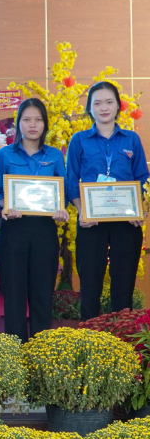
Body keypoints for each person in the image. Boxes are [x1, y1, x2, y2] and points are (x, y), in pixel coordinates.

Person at [67, 81, 150, 321]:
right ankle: (90, 335)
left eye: (109, 102)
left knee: (123, 285)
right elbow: (71, 180)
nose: (103, 108)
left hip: (126, 223)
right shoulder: (79, 140)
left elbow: (142, 178)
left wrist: (140, 209)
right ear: (89, 108)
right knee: (90, 286)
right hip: (91, 223)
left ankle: (121, 336)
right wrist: (82, 212)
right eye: (97, 103)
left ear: (118, 106)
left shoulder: (131, 139)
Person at [0, 98, 68, 342]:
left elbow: (62, 193)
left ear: (45, 124)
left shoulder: (55, 156)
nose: (32, 125)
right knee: (13, 295)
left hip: (45, 230)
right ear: (18, 123)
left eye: (38, 120)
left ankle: (40, 352)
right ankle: (16, 352)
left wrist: (61, 208)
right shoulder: (4, 154)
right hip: (14, 229)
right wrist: (5, 205)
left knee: (42, 294)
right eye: (26, 119)